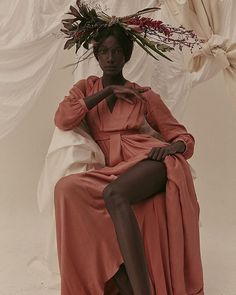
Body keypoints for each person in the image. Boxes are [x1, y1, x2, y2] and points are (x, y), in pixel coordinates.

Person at [54, 5, 204, 295]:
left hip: (151, 161)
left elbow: (184, 137)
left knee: (115, 194)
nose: (111, 58)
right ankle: (122, 280)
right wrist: (107, 92)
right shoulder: (85, 90)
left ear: (127, 56)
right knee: (66, 188)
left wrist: (171, 148)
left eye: (117, 52)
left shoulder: (144, 95)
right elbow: (63, 118)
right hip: (112, 170)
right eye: (105, 52)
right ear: (96, 56)